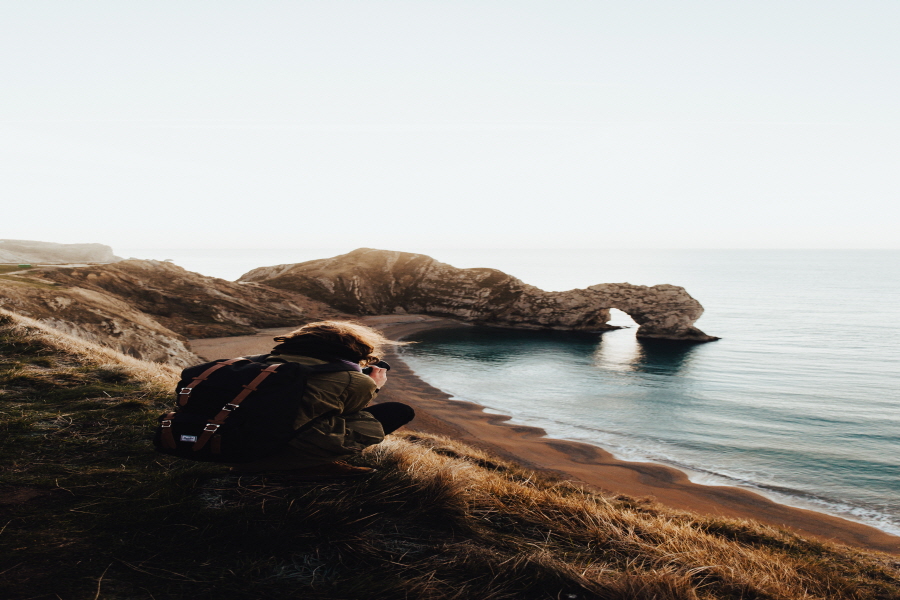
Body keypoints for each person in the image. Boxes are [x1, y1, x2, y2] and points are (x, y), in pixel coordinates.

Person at [229, 321, 415, 479]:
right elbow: (351, 412)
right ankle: (307, 465)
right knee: (398, 411)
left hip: (227, 445)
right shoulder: (350, 379)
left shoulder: (250, 362)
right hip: (272, 452)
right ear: (352, 348)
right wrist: (373, 385)